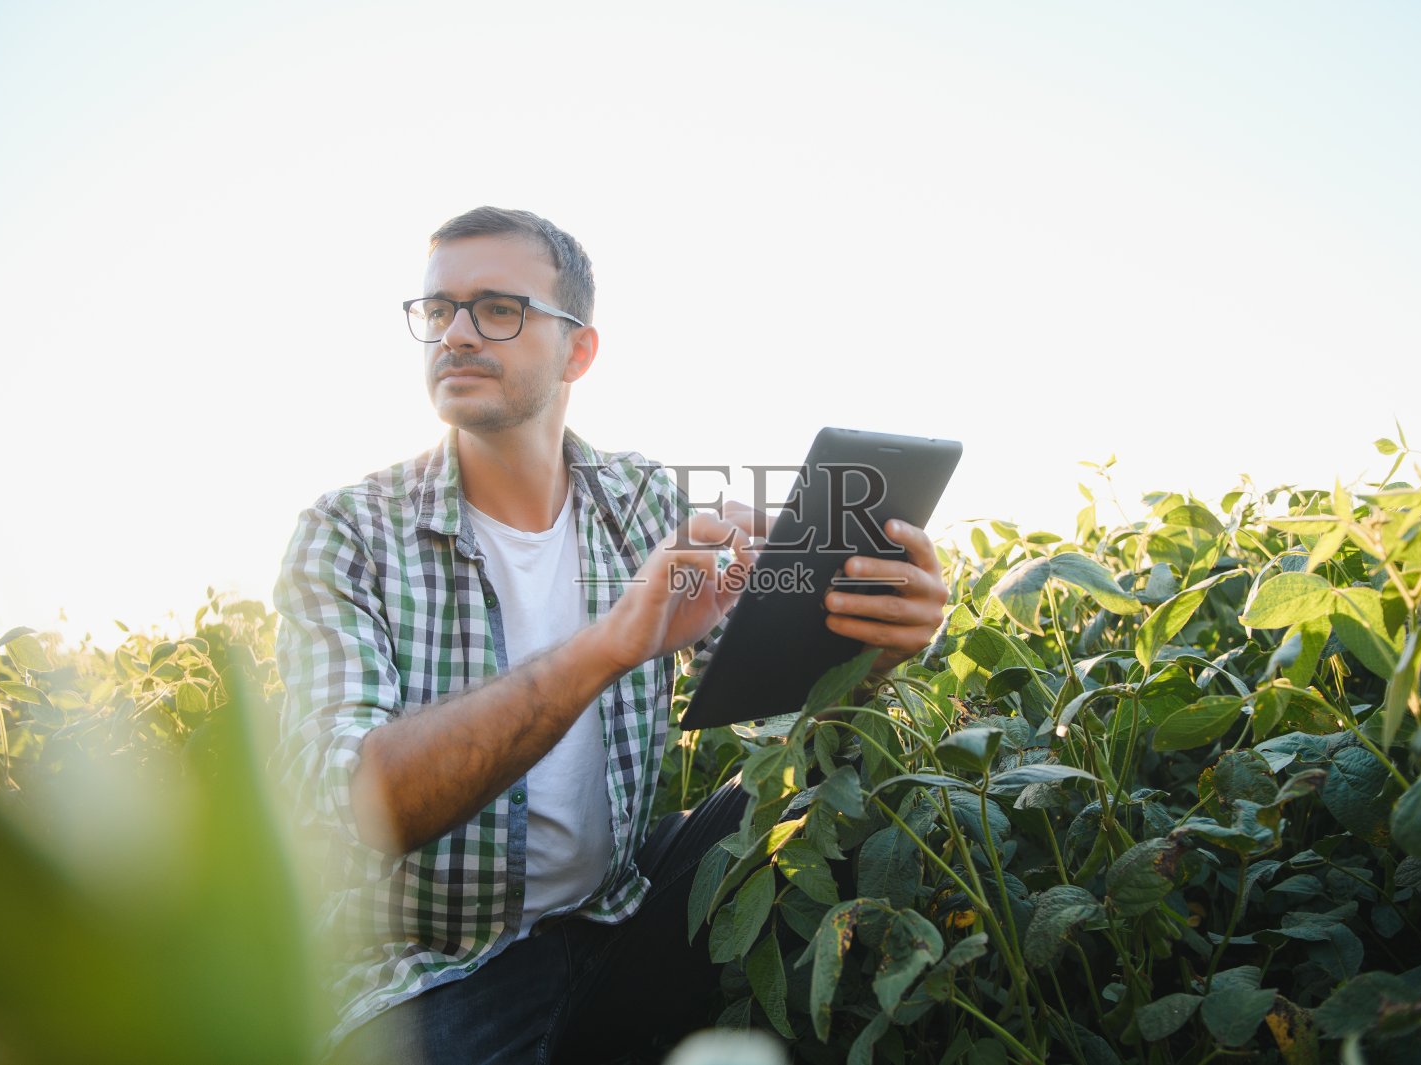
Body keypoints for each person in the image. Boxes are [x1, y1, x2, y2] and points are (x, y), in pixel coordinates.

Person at [273, 207, 947, 1064]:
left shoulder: (641, 499)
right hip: (427, 971)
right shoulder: (349, 531)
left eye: (499, 308)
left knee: (818, 802)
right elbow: (351, 810)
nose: (457, 334)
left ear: (578, 350)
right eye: (438, 310)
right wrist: (608, 643)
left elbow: (770, 698)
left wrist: (879, 643)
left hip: (615, 910)